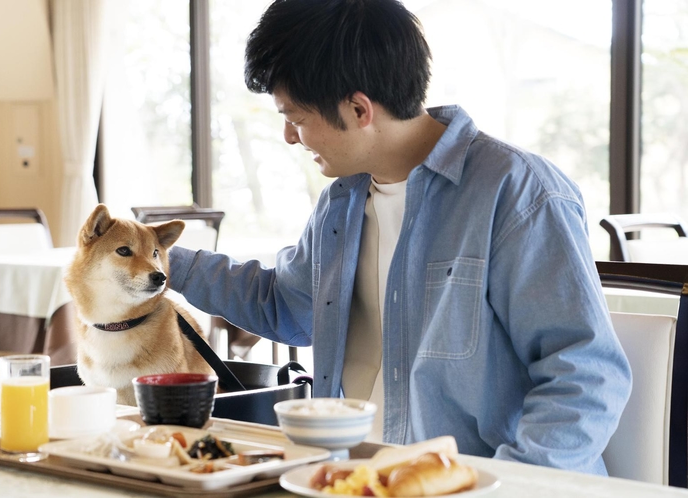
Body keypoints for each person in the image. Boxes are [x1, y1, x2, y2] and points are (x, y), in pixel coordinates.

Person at [168, 0, 631, 475]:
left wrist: (503, 483)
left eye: (298, 118)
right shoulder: (341, 202)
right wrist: (161, 262)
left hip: (481, 483)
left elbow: (586, 378)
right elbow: (287, 307)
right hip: (356, 477)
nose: (290, 136)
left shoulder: (517, 193)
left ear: (358, 108)